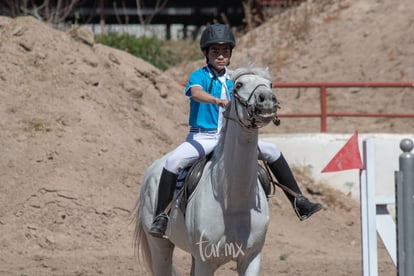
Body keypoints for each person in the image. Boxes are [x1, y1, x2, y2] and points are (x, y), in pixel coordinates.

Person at [149, 23, 322, 238]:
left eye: (225, 51)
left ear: (230, 53)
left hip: (230, 137)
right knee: (173, 162)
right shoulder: (199, 75)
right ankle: (161, 217)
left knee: (273, 151)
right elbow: (195, 93)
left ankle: (299, 201)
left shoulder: (236, 79)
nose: (220, 56)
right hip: (203, 137)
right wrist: (215, 100)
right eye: (215, 51)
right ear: (206, 53)